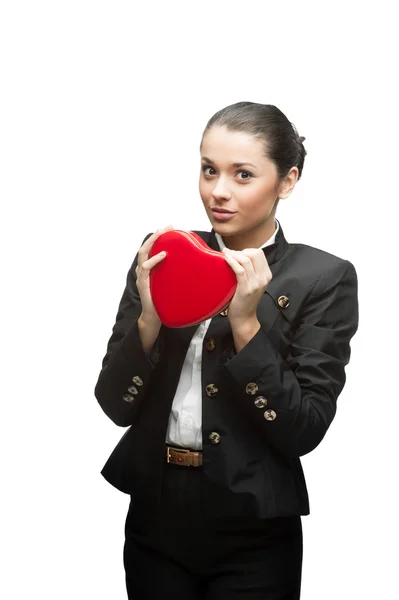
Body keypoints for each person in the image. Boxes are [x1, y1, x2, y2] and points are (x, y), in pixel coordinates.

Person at [94, 101, 359, 599]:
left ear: (287, 181)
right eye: (208, 169)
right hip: (157, 517)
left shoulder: (322, 278)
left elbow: (303, 428)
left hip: (255, 531)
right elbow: (114, 404)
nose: (218, 191)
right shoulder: (164, 255)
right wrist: (150, 319)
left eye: (243, 175)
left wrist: (245, 324)